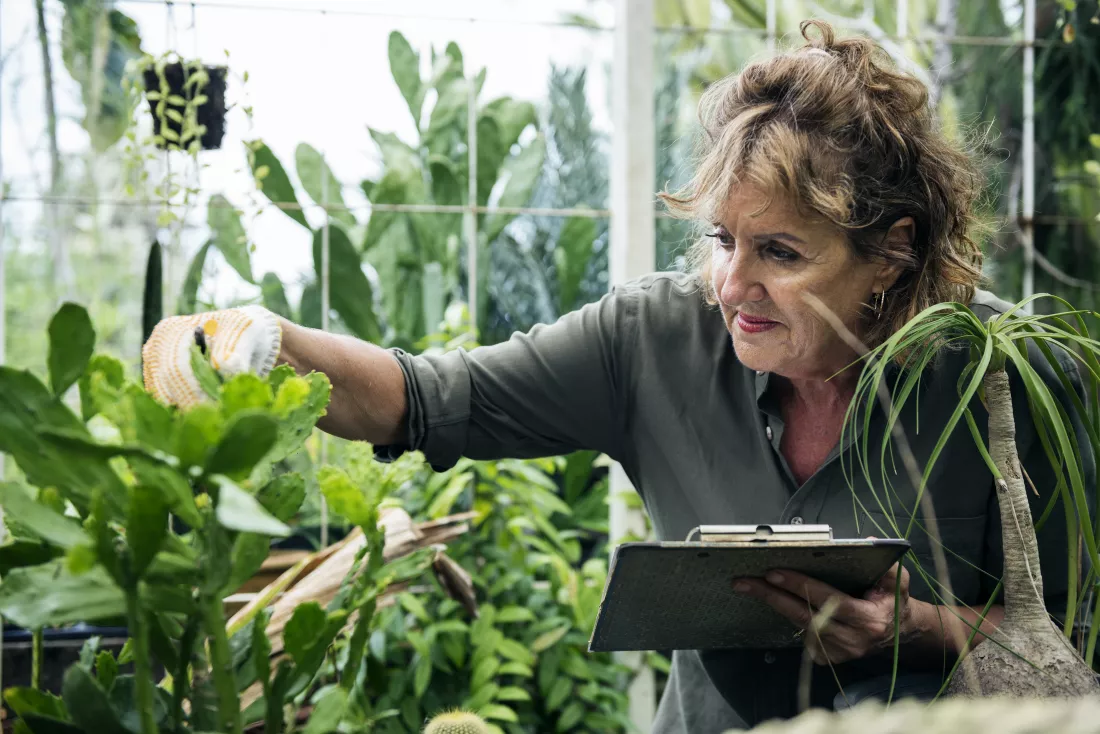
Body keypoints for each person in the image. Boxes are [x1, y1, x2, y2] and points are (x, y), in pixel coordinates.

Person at [145, 20, 1094, 732]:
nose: (731, 285)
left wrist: (913, 626)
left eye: (779, 252)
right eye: (721, 239)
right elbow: (426, 399)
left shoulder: (1011, 378)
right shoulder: (653, 341)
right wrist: (260, 340)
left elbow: (1071, 637)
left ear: (891, 252)